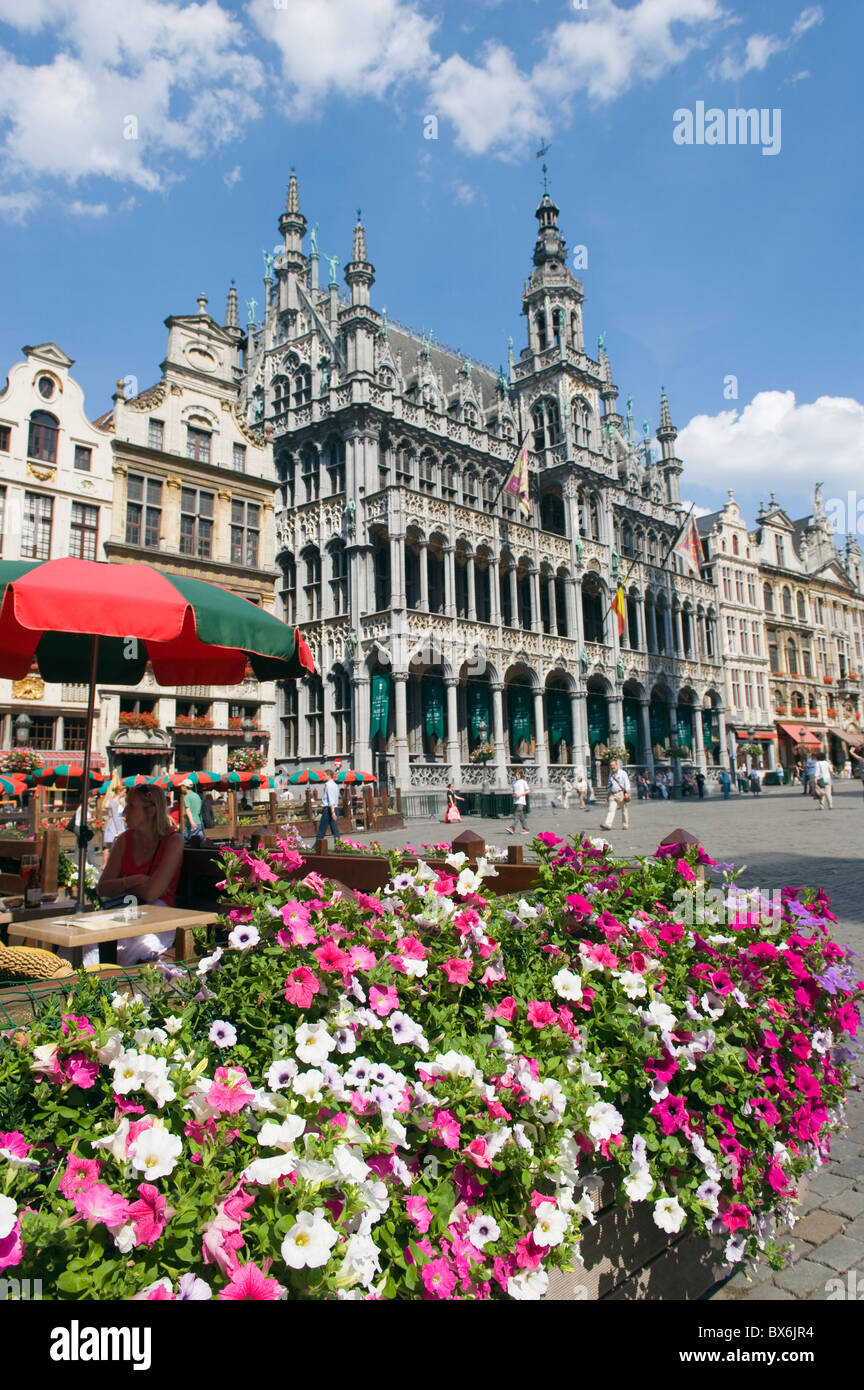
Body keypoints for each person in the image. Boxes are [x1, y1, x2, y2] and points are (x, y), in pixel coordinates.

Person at [97, 785, 184, 965]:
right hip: (126, 913)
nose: (124, 812)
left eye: (131, 806)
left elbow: (152, 893)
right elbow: (103, 887)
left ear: (151, 811)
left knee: (133, 952)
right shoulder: (124, 840)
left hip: (158, 920)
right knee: (88, 947)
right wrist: (136, 880)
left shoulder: (173, 841)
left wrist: (122, 884)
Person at [100, 771, 126, 868]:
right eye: (124, 791)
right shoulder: (114, 802)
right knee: (109, 844)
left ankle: (114, 863)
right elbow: (114, 816)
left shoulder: (120, 802)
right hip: (114, 824)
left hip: (119, 822)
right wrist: (118, 829)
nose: (125, 793)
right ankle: (105, 863)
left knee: (117, 844)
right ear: (119, 792)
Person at [314, 769, 342, 845]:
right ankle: (338, 847)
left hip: (329, 809)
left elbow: (331, 799)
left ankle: (317, 847)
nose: (322, 777)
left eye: (324, 775)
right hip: (334, 808)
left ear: (328, 776)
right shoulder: (335, 785)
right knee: (335, 830)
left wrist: (332, 812)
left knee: (322, 829)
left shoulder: (329, 785)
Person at [601, 759, 630, 831]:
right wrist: (607, 796)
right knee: (611, 809)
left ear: (617, 765)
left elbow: (627, 783)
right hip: (612, 794)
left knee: (624, 810)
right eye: (611, 766)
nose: (612, 767)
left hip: (620, 793)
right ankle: (608, 824)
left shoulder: (623, 773)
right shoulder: (610, 774)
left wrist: (626, 793)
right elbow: (609, 785)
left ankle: (625, 824)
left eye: (613, 765)